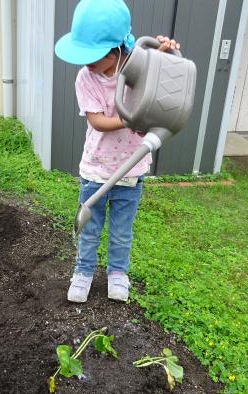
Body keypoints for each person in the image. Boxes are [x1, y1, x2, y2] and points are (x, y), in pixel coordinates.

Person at [54, 0, 180, 303]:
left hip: (131, 171)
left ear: (115, 50)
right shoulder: (86, 77)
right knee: (90, 228)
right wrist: (130, 117)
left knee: (122, 231)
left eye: (92, 56)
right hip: (96, 169)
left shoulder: (142, 65)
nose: (86, 63)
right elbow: (97, 121)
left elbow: (170, 71)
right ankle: (83, 272)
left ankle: (117, 273)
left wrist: (168, 50)